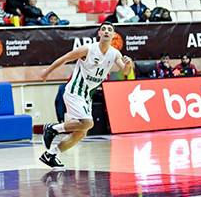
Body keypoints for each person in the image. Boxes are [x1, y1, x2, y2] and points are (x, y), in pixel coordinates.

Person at [40, 22, 134, 168]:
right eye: (103, 29)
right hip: (74, 91)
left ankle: (51, 154)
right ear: (99, 34)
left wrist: (128, 64)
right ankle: (52, 128)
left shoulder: (115, 53)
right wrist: (47, 72)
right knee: (88, 123)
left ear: (114, 35)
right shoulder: (88, 49)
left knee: (82, 132)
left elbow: (126, 72)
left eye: (110, 30)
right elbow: (65, 58)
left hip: (86, 95)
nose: (107, 31)